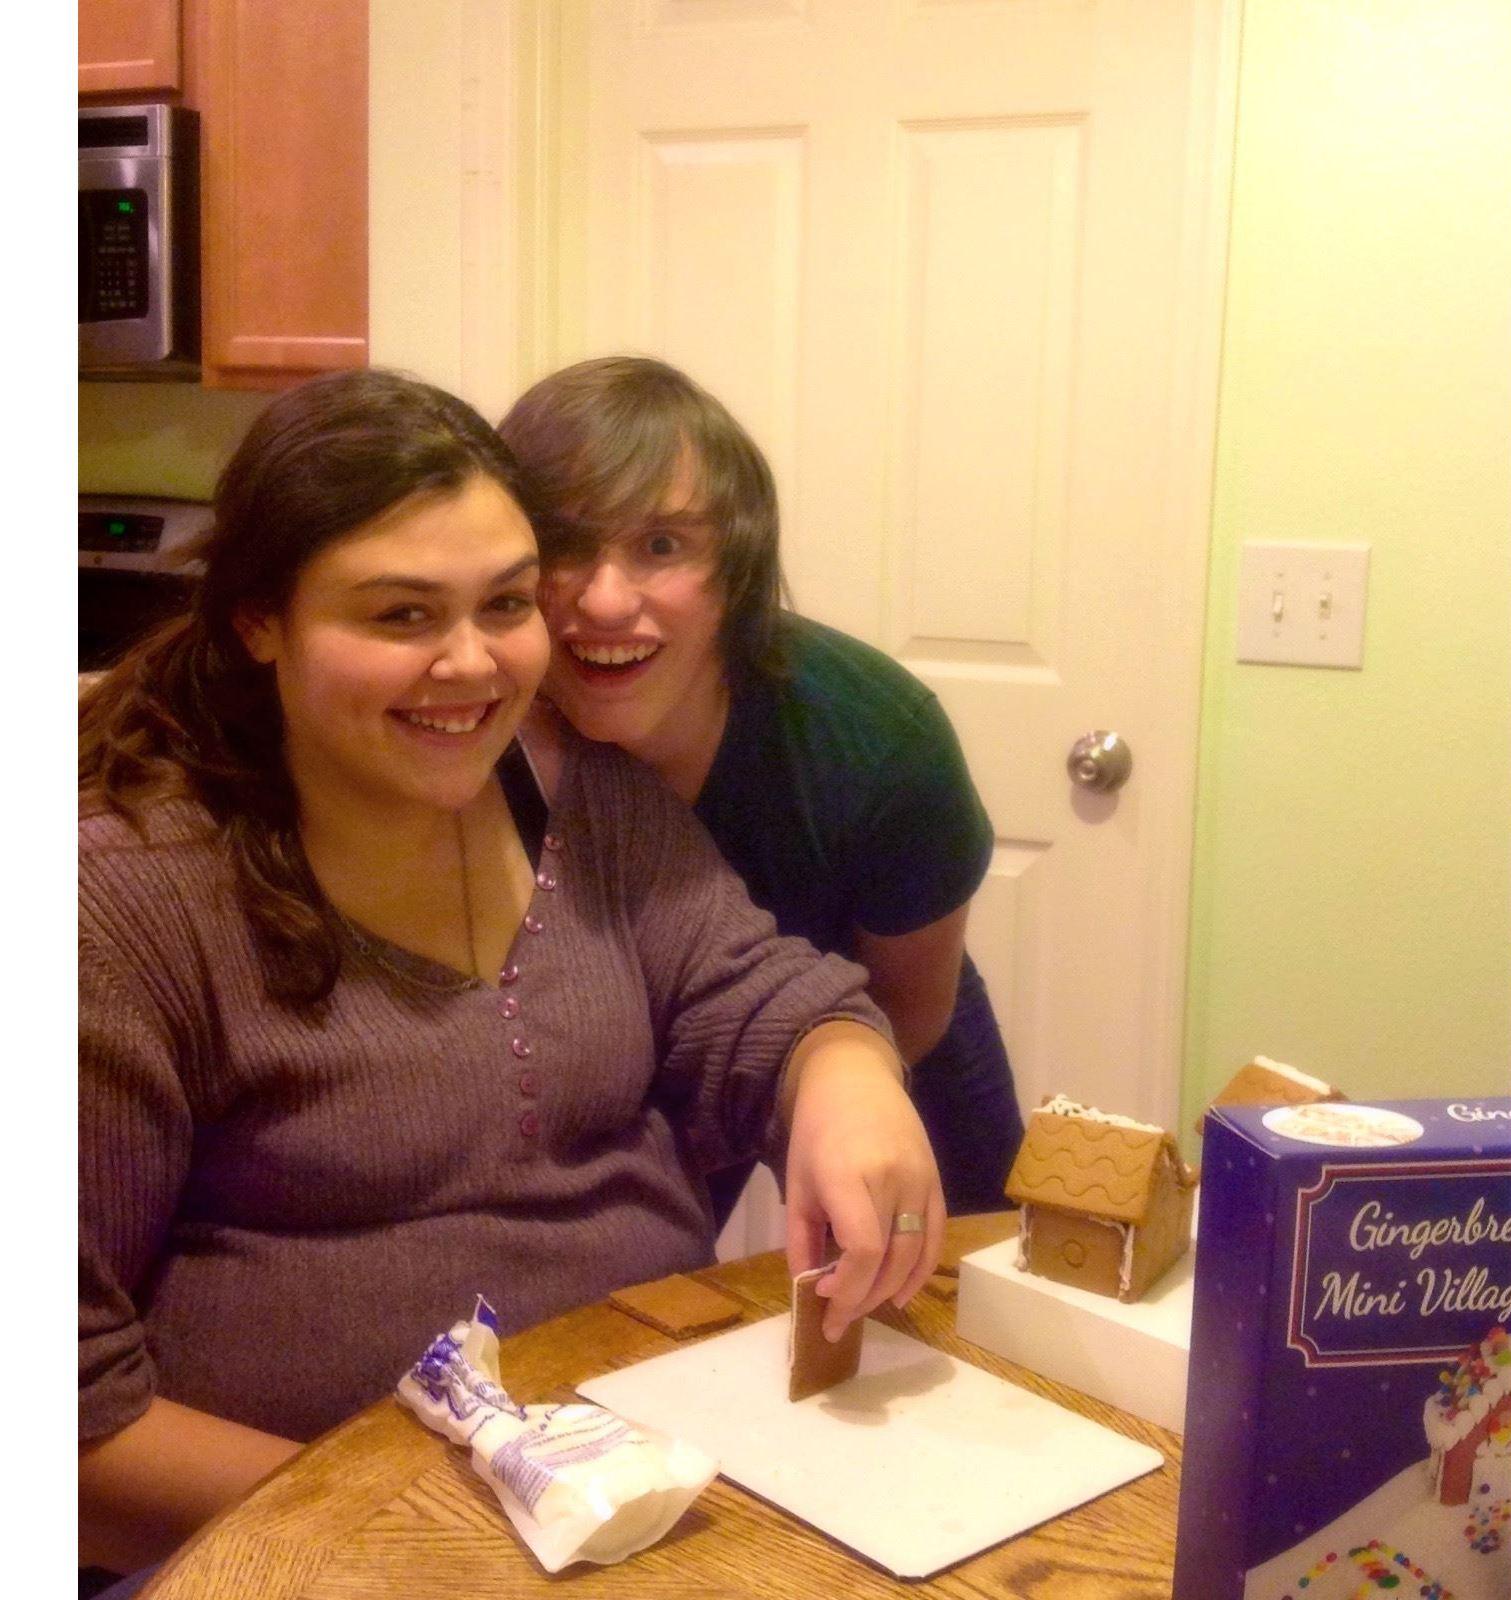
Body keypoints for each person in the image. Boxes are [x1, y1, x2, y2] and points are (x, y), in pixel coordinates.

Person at [78, 368, 943, 1579]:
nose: (472, 664)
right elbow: (67, 1431)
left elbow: (763, 996)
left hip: (656, 1499)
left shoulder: (589, 806)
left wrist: (847, 1073)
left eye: (501, 603)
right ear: (258, 622)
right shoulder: (124, 899)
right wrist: (423, 1528)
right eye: (399, 615)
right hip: (310, 1559)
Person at [498, 357, 1025, 1222]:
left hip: (883, 1026)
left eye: (662, 545)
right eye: (563, 544)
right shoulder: (479, 732)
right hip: (639, 1057)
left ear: (737, 570)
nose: (604, 600)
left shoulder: (877, 742)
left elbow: (908, 1004)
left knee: (970, 1286)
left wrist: (823, 1104)